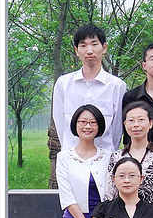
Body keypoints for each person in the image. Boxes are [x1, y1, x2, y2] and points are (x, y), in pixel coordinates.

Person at [52, 24, 127, 152]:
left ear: (104, 48)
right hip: (71, 156)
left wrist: (110, 153)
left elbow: (117, 128)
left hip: (105, 156)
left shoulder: (117, 86)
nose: (89, 50)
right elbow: (59, 121)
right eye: (83, 45)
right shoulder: (63, 84)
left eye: (94, 44)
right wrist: (69, 152)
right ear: (76, 50)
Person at [107, 102, 153, 218]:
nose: (136, 125)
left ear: (150, 123)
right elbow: (109, 194)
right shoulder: (116, 157)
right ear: (125, 124)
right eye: (131, 120)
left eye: (141, 120)